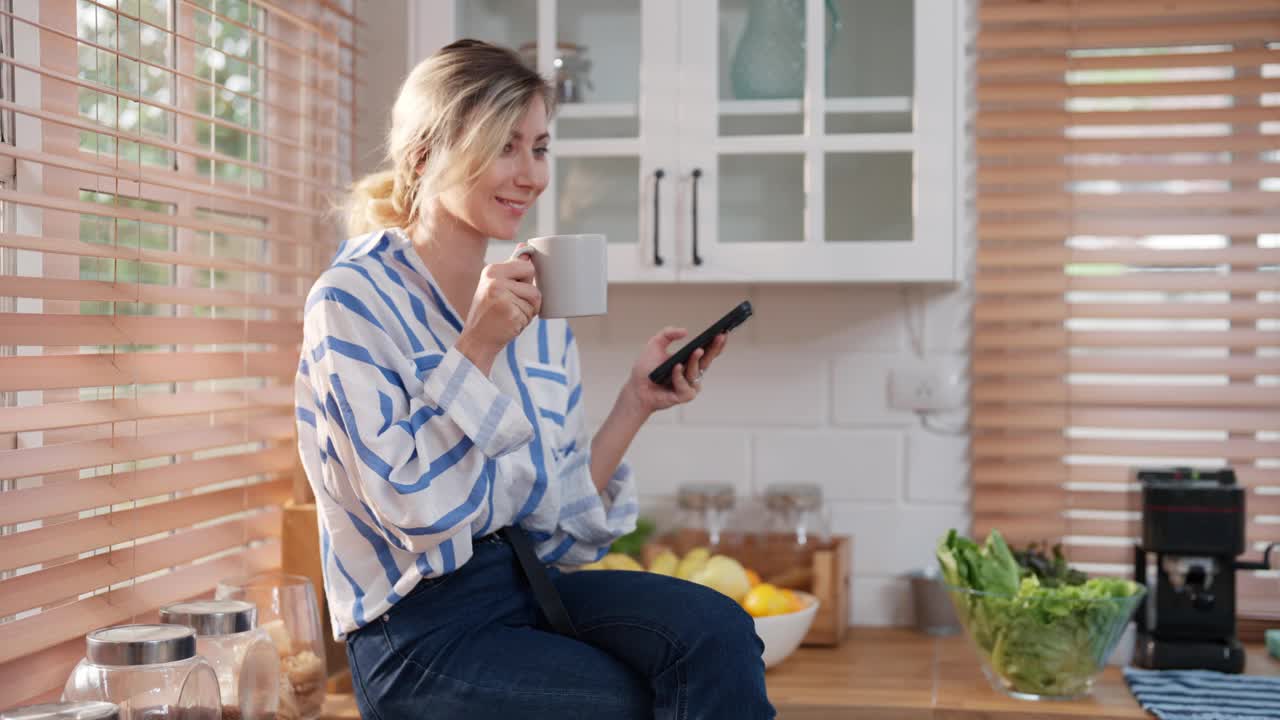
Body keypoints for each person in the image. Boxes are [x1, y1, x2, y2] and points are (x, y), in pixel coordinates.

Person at [294, 39, 774, 719]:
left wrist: (634, 404)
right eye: (504, 146)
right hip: (412, 633)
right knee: (623, 705)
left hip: (526, 587)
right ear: (425, 154)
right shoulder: (351, 301)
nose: (531, 175)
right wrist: (479, 348)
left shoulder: (539, 309)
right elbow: (413, 513)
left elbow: (554, 527)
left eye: (540, 148)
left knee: (720, 633)